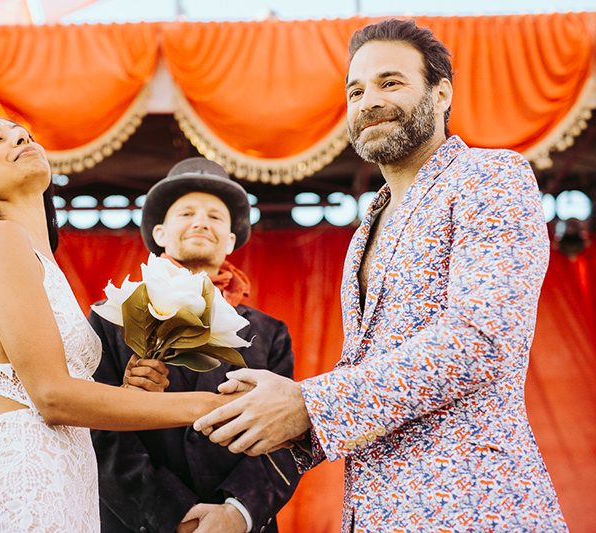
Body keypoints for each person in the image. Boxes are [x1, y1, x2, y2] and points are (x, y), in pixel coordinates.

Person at [193, 19, 568, 531]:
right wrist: (275, 421)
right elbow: (371, 372)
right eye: (355, 90)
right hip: (373, 510)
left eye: (390, 82)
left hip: (475, 504)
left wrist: (308, 403)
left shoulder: (491, 177)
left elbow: (481, 339)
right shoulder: (369, 226)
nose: (368, 100)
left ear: (441, 94)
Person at [0, 117, 239, 532]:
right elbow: (50, 396)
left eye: (26, 135)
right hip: (31, 489)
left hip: (70, 485)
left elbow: (56, 397)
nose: (20, 138)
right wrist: (210, 406)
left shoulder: (40, 260)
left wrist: (127, 395)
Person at [89, 158, 301, 533]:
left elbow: (284, 436)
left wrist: (237, 511)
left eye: (216, 217)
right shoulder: (112, 318)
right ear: (160, 233)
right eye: (186, 213)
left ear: (231, 240)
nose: (201, 222)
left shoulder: (270, 332)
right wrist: (174, 517)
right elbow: (97, 432)